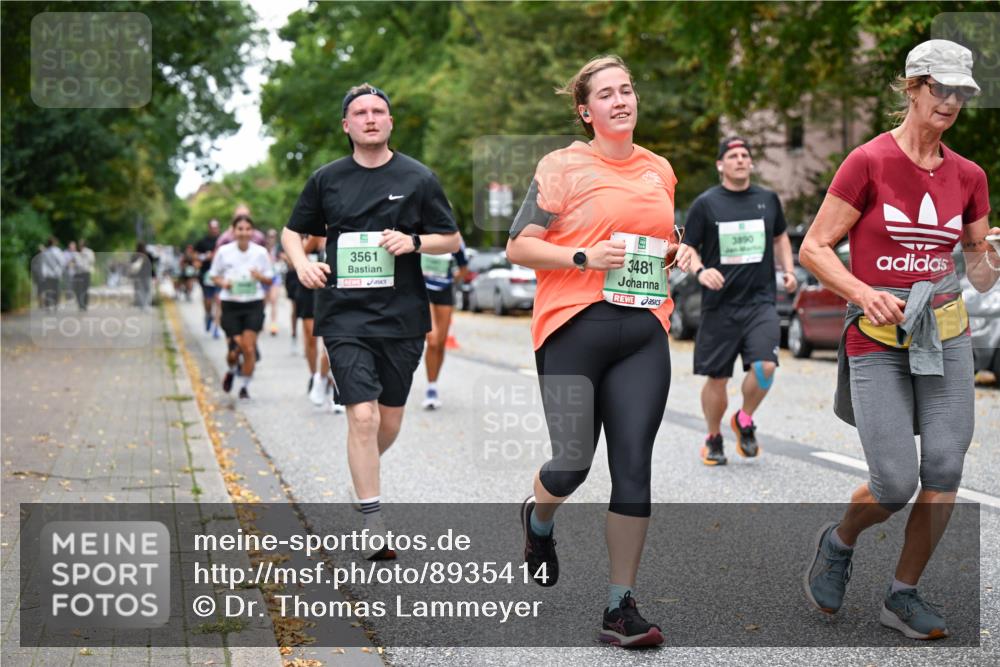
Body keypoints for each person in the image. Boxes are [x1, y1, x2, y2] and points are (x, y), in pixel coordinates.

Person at [799, 39, 999, 640]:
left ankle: (902, 594)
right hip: (878, 335)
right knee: (894, 481)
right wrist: (862, 293)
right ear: (911, 87)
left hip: (945, 332)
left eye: (962, 93)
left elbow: (980, 272)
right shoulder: (867, 162)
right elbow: (814, 249)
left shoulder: (969, 176)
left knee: (943, 466)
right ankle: (838, 542)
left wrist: (988, 255)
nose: (951, 102)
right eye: (941, 89)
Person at [506, 55, 679, 647]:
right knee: (573, 464)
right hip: (571, 328)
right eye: (606, 94)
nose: (620, 100)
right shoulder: (562, 166)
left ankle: (619, 606)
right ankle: (538, 518)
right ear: (587, 111)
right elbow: (519, 246)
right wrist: (582, 257)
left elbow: (663, 237)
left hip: (643, 331)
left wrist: (678, 253)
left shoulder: (660, 169)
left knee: (634, 466)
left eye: (627, 90)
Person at [282, 83, 461, 560]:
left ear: (390, 122)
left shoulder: (419, 177)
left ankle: (364, 479)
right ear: (347, 125)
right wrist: (302, 263)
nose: (369, 118)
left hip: (402, 317)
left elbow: (451, 237)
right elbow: (292, 231)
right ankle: (372, 519)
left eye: (378, 111)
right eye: (359, 113)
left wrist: (416, 243)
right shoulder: (327, 179)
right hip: (343, 315)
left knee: (388, 420)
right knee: (361, 416)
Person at [676, 137, 796, 466]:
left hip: (760, 303)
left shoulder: (768, 199)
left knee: (766, 366)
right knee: (717, 378)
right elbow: (687, 248)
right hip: (720, 305)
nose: (741, 160)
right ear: (720, 165)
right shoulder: (706, 204)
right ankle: (713, 437)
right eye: (733, 155)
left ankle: (744, 418)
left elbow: (781, 236)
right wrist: (701, 272)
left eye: (746, 155)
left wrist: (788, 270)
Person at [209, 214, 274, 400]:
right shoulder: (223, 252)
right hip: (231, 305)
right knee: (232, 353)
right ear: (233, 230)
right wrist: (224, 284)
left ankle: (245, 386)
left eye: (247, 229)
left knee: (248, 348)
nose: (244, 233)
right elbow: (213, 275)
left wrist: (259, 277)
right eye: (240, 229)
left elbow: (270, 278)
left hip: (253, 304)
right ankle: (231, 369)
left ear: (252, 231)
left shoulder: (260, 252)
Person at [420, 245, 468, 409]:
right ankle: (430, 390)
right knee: (432, 341)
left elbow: (463, 268)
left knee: (440, 344)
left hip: (445, 292)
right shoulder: (421, 232)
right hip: (424, 291)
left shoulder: (455, 240)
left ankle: (433, 384)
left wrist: (451, 280)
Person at [194, 219, 222, 337]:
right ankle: (208, 315)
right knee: (208, 301)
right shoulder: (202, 242)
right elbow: (194, 255)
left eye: (216, 228)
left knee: (218, 300)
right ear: (209, 228)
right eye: (212, 228)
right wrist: (205, 256)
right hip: (206, 275)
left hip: (220, 275)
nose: (214, 230)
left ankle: (216, 327)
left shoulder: (223, 241)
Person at [37, 237, 65, 311]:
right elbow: (62, 262)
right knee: (56, 289)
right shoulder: (57, 251)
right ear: (54, 243)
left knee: (48, 290)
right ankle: (56, 304)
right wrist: (61, 271)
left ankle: (48, 304)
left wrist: (43, 274)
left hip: (48, 274)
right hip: (56, 274)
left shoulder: (45, 252)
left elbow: (43, 264)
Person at [265, 228, 283, 336]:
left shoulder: (279, 249)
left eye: (274, 236)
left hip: (275, 277)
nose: (272, 239)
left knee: (273, 301)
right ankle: (261, 321)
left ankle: (273, 325)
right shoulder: (263, 249)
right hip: (264, 278)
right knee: (264, 302)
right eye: (270, 236)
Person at [73, 239, 95, 310]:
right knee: (79, 289)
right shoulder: (76, 253)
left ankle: (84, 304)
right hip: (79, 273)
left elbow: (91, 261)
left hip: (85, 272)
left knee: (85, 289)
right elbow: (75, 263)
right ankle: (81, 304)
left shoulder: (89, 252)